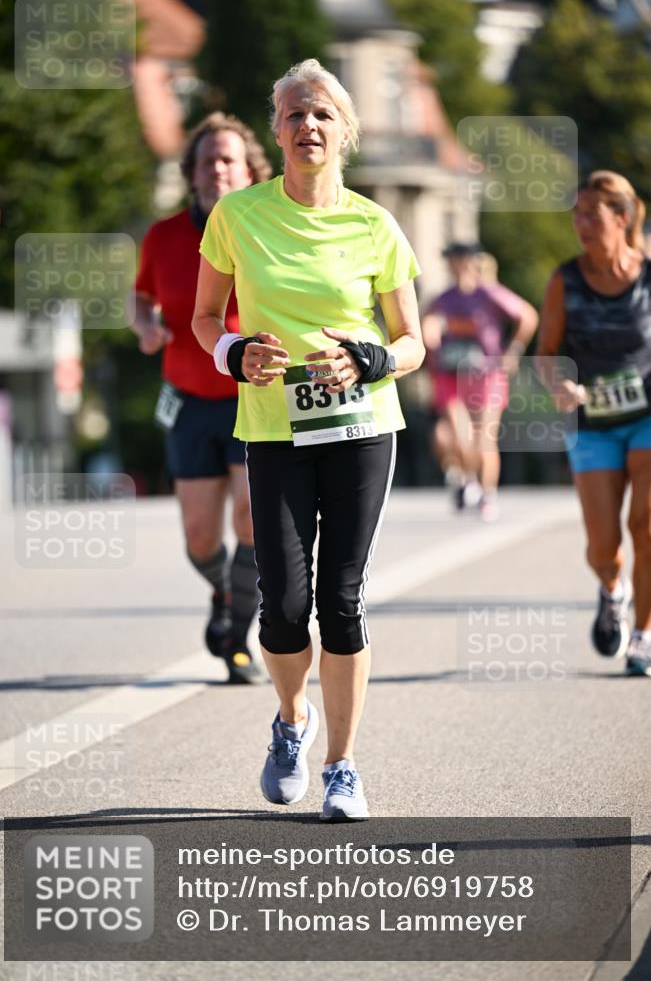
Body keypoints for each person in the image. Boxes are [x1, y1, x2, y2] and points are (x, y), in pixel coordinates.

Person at [192, 59, 424, 819]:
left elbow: (412, 340)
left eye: (322, 113)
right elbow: (203, 318)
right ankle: (292, 718)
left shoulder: (373, 224)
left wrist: (374, 357)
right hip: (273, 427)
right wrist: (233, 353)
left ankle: (342, 766)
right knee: (283, 605)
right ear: (276, 131)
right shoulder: (237, 217)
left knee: (342, 599)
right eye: (293, 114)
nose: (308, 126)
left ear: (344, 129)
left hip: (360, 424)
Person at [131, 113, 272, 684]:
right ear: (191, 171)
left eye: (229, 159)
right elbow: (141, 297)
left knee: (252, 519)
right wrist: (145, 327)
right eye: (209, 159)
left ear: (248, 170)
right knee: (199, 536)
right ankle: (222, 592)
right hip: (188, 400)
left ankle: (239, 635)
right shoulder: (163, 236)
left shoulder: (264, 227)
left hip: (252, 395)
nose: (218, 168)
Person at [537, 170, 651, 675]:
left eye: (592, 213)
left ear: (622, 218)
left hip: (647, 416)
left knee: (646, 527)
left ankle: (644, 635)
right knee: (604, 545)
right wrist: (560, 383)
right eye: (577, 213)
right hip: (594, 423)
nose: (581, 223)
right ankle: (612, 588)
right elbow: (545, 352)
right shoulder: (566, 279)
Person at [422, 243, 538, 521]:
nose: (456, 266)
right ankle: (468, 479)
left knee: (486, 436)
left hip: (487, 375)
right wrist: (431, 342)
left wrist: (513, 351)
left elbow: (528, 316)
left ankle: (487, 492)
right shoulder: (444, 298)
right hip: (451, 374)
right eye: (451, 261)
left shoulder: (489, 293)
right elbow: (426, 324)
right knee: (457, 434)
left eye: (461, 260)